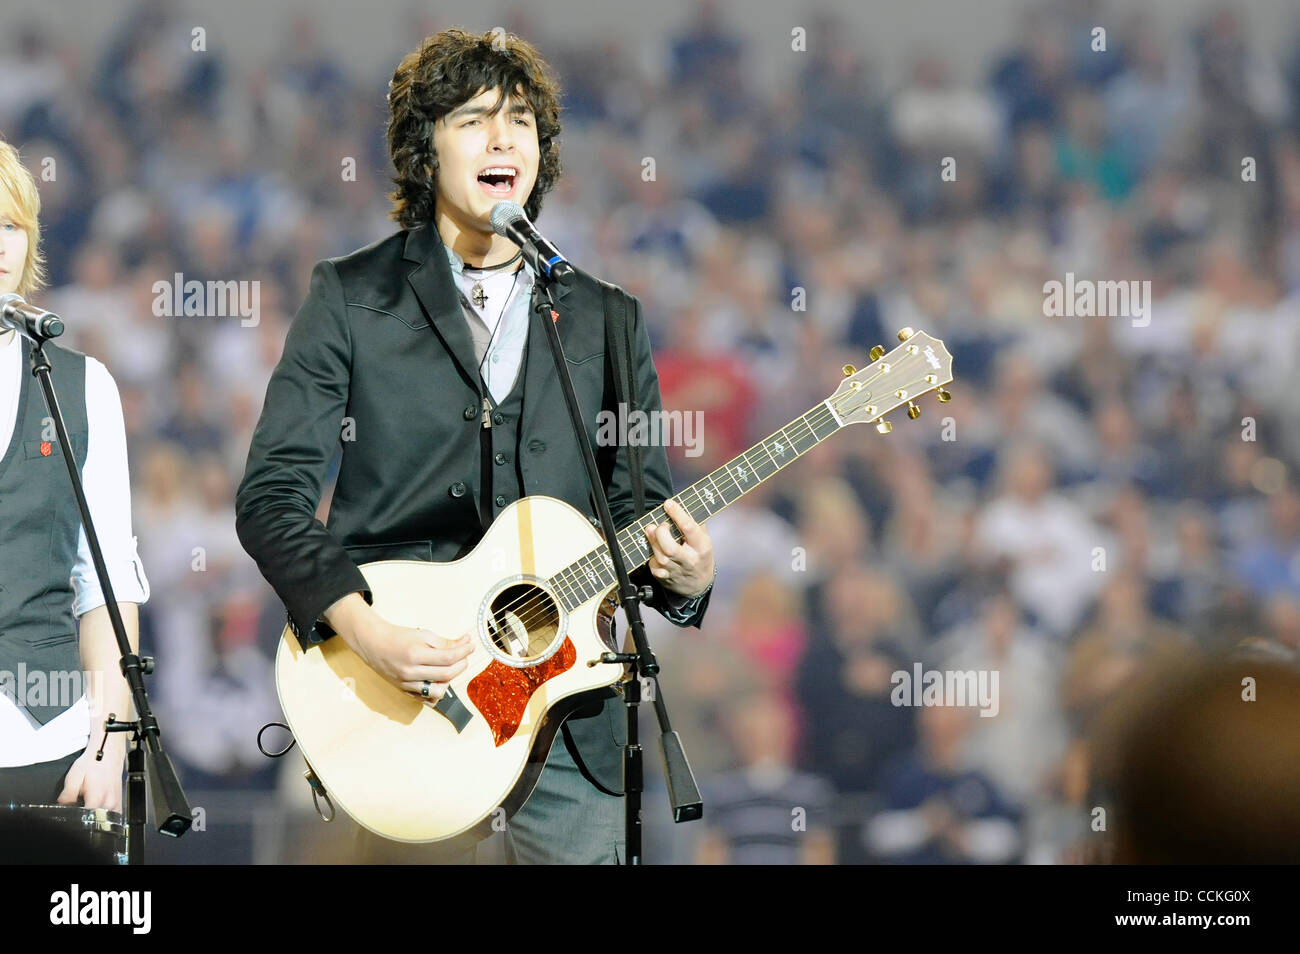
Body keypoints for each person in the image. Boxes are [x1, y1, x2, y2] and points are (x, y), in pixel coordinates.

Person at [234, 29, 716, 865]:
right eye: (473, 119)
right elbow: (271, 499)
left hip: (571, 735)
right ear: (425, 151)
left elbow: (637, 511)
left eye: (522, 121)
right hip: (405, 711)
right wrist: (364, 629)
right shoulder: (351, 298)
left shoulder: (606, 318)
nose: (503, 140)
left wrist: (689, 579)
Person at [0, 138, 150, 823]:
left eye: (12, 226)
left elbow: (107, 581)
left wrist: (110, 748)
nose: (2, 244)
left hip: (50, 746)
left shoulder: (81, 388)